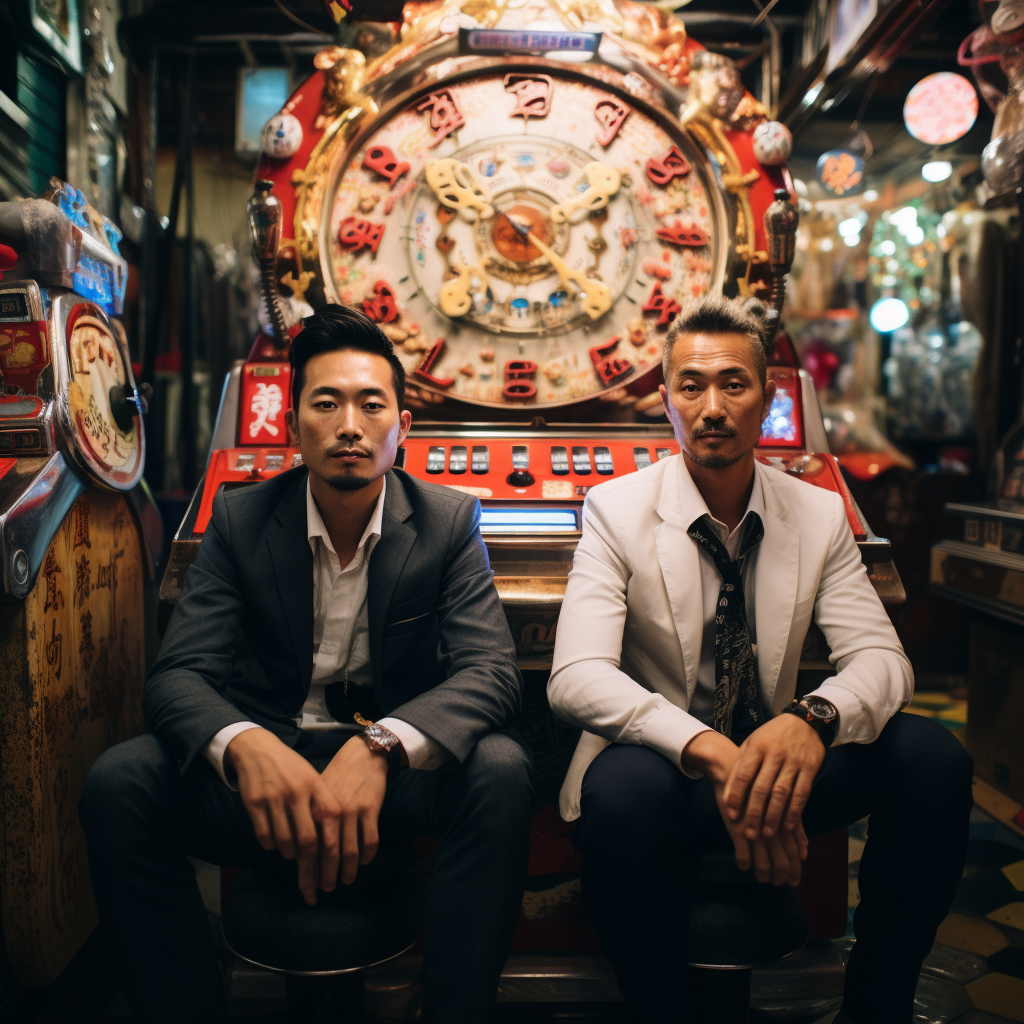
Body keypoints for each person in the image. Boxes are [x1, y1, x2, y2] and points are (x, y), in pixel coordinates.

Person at [80, 305, 534, 1024]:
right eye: (325, 403)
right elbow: (177, 678)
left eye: (370, 404)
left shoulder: (448, 521)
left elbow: (489, 674)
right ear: (292, 427)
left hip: (389, 778)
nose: (348, 424)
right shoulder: (241, 518)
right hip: (267, 772)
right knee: (120, 782)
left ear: (402, 429)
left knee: (501, 769)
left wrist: (381, 746)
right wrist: (246, 746)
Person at [547, 295, 973, 1023]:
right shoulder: (615, 508)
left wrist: (811, 719)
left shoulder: (816, 513)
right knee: (619, 792)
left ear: (767, 397)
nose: (712, 406)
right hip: (668, 771)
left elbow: (882, 659)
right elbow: (575, 678)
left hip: (780, 759)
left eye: (733, 384)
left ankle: (876, 1004)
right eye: (691, 386)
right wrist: (711, 750)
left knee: (934, 759)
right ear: (667, 400)